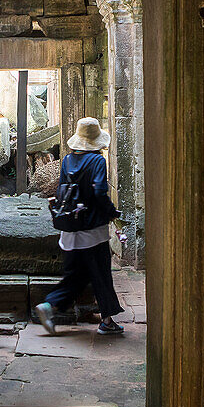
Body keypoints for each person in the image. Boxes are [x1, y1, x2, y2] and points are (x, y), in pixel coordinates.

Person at [34, 117, 125, 335]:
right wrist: (112, 213)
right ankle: (107, 321)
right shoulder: (97, 162)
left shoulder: (67, 161)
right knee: (101, 274)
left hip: (70, 226)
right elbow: (99, 192)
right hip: (92, 229)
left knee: (77, 274)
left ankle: (50, 305)